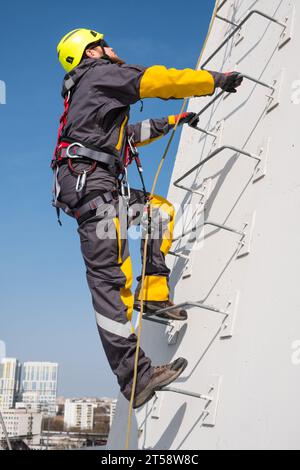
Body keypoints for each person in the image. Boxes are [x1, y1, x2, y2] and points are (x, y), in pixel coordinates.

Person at [52, 29, 243, 408]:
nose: (112, 47)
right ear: (91, 52)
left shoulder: (92, 97)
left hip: (102, 188)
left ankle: (153, 293)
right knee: (110, 281)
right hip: (96, 194)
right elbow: (157, 79)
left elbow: (128, 136)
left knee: (160, 212)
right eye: (104, 43)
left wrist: (175, 120)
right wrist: (215, 80)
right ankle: (135, 377)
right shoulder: (100, 75)